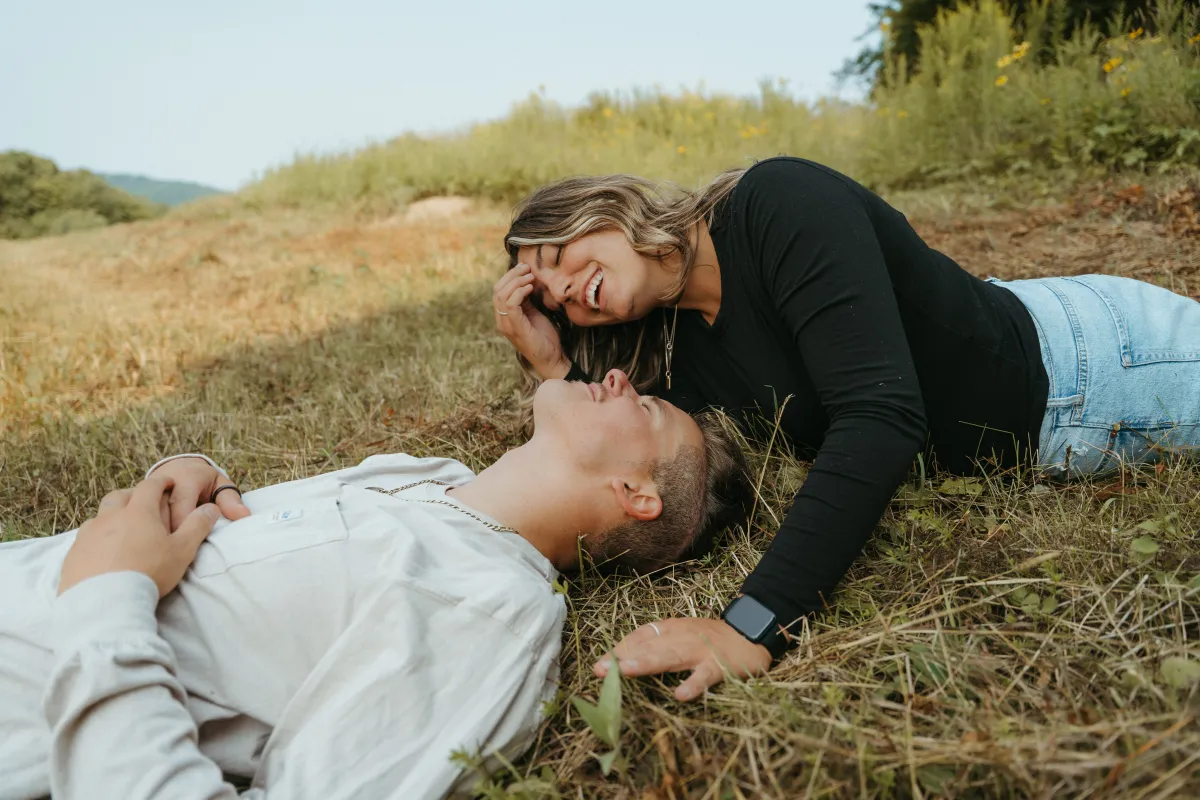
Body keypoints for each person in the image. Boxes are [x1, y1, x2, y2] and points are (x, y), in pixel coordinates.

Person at [492, 155, 1200, 701]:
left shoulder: (777, 203)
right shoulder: (684, 347)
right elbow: (605, 442)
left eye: (554, 258)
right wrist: (551, 363)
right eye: (554, 301)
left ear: (606, 208)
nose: (559, 290)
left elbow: (881, 418)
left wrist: (753, 624)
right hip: (1021, 323)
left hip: (1094, 368)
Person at [0, 371, 751, 800]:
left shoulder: (491, 615)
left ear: (636, 491)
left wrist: (106, 599)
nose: (619, 377)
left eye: (645, 408)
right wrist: (182, 483)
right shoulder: (425, 479)